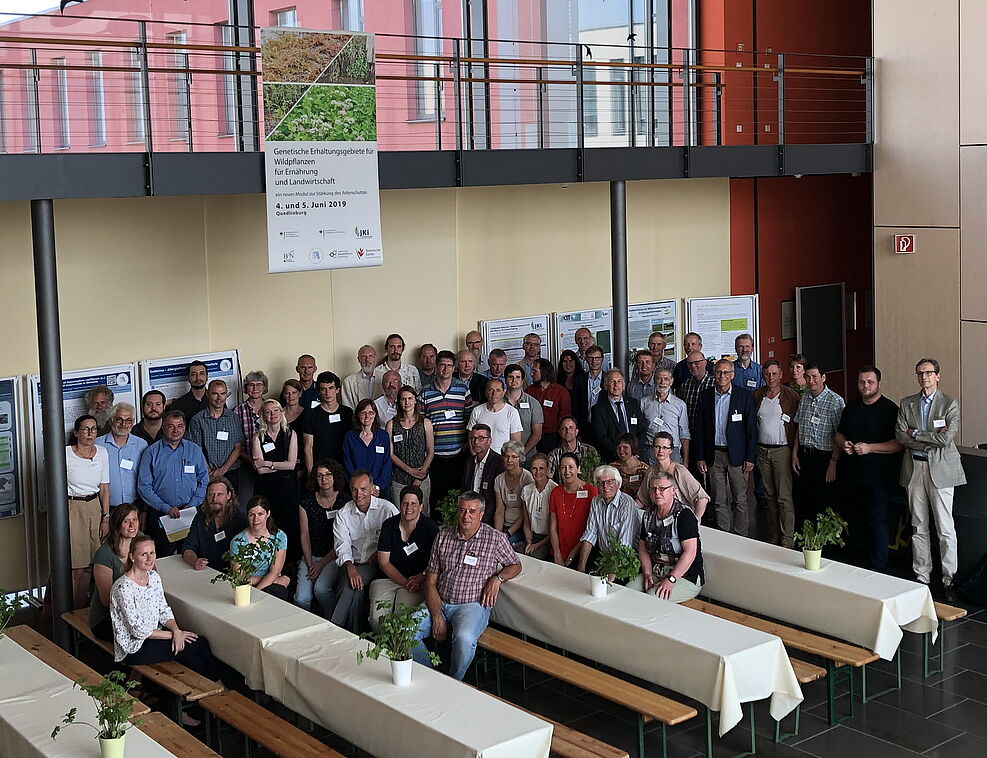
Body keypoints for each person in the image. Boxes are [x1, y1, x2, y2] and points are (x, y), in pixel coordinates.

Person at [411, 491, 521, 680]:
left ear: (481, 515)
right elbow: (430, 582)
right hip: (439, 600)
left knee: (464, 638)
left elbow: (515, 565)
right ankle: (430, 676)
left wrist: (498, 579)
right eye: (462, 510)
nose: (466, 516)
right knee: (405, 631)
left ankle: (454, 682)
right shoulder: (443, 537)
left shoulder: (494, 539)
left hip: (472, 605)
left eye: (471, 511)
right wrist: (437, 615)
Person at [110, 534, 223, 711]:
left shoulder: (153, 577)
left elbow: (163, 609)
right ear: (132, 557)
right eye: (143, 554)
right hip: (135, 647)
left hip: (157, 634)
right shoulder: (123, 587)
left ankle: (209, 693)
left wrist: (176, 630)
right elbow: (138, 630)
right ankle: (196, 702)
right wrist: (173, 635)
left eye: (152, 553)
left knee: (199, 643)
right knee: (193, 649)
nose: (149, 558)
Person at [896, 358, 965, 600]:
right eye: (920, 373)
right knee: (918, 525)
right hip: (915, 468)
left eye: (928, 372)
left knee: (945, 529)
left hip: (941, 471)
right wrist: (928, 438)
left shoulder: (949, 404)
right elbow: (900, 437)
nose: (924, 377)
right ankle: (921, 576)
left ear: (938, 376)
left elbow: (946, 440)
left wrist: (916, 433)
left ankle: (949, 580)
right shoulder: (907, 403)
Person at [835, 366, 902, 572]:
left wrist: (870, 448)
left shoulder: (890, 410)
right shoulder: (852, 407)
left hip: (880, 479)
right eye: (862, 382)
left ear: (879, 384)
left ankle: (878, 567)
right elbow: (839, 434)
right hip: (854, 476)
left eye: (870, 382)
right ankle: (861, 561)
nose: (865, 386)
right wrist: (844, 444)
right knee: (857, 519)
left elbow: (898, 444)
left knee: (877, 521)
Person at [694, 360, 756, 536]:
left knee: (740, 499)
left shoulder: (743, 396)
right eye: (719, 372)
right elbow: (699, 428)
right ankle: (725, 535)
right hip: (713, 454)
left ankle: (741, 535)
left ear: (733, 375)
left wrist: (750, 457)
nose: (722, 376)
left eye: (726, 372)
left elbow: (751, 429)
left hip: (737, 456)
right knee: (719, 500)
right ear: (714, 373)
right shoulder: (705, 396)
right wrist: (700, 456)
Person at [330, 471, 398, 631]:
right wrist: (350, 567)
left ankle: (334, 627)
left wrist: (381, 552)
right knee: (356, 589)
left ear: (372, 488)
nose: (358, 494)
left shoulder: (387, 509)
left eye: (363, 489)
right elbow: (342, 545)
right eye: (354, 489)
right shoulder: (343, 513)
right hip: (353, 562)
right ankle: (355, 634)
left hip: (379, 564)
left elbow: (399, 537)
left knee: (349, 585)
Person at [137, 411, 209, 557]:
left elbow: (204, 480)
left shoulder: (194, 450)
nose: (176, 430)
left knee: (191, 554)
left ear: (184, 428)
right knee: (163, 557)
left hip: (190, 513)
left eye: (180, 426)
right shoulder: (151, 453)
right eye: (171, 426)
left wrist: (193, 504)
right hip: (161, 515)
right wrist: (166, 508)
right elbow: (144, 486)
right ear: (163, 427)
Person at [369, 485, 439, 630]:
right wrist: (405, 582)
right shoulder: (389, 525)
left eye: (413, 504)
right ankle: (385, 650)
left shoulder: (430, 528)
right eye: (405, 503)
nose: (408, 507)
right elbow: (384, 563)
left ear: (421, 507)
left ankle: (398, 652)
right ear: (399, 505)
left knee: (402, 617)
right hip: (388, 578)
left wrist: (423, 576)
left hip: (416, 583)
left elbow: (437, 561)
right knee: (377, 619)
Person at [753, 360, 801, 548]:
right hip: (762, 450)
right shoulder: (757, 395)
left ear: (781, 375)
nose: (771, 378)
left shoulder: (792, 396)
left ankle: (788, 537)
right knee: (769, 496)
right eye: (767, 374)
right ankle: (774, 534)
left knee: (784, 497)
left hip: (782, 450)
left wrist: (794, 452)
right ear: (763, 376)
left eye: (774, 374)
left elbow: (797, 427)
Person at [638, 471, 704, 603]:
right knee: (627, 591)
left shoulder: (684, 515)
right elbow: (643, 548)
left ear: (673, 490)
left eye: (662, 488)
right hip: (657, 571)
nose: (657, 492)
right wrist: (647, 573)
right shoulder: (648, 515)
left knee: (650, 599)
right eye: (653, 488)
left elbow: (690, 552)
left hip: (684, 576)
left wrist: (671, 579)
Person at [66, 414, 110, 608]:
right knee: (77, 567)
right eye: (85, 428)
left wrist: (105, 517)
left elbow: (104, 487)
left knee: (91, 565)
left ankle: (83, 611)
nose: (90, 432)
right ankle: (71, 613)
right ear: (76, 432)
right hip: (73, 507)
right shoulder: (65, 454)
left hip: (95, 507)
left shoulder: (102, 452)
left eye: (93, 428)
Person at [792, 363, 845, 521]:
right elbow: (799, 428)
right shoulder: (804, 398)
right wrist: (794, 454)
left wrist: (833, 462)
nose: (810, 380)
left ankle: (823, 545)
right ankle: (807, 543)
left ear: (823, 377)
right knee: (804, 502)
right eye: (807, 376)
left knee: (823, 503)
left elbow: (839, 435)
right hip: (805, 457)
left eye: (814, 376)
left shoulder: (835, 401)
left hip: (825, 458)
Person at [295, 459, 345, 614]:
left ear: (335, 476)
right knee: (301, 598)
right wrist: (311, 564)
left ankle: (334, 622)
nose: (324, 479)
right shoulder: (306, 501)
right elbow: (304, 535)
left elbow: (343, 540)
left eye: (328, 475)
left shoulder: (345, 501)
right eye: (320, 475)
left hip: (333, 557)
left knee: (321, 590)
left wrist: (321, 564)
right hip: (311, 556)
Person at [252, 399, 300, 560]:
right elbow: (259, 470)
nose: (272, 414)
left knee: (289, 524)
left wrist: (268, 463)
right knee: (268, 524)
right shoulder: (258, 437)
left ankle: (290, 562)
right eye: (268, 411)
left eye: (275, 410)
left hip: (288, 488)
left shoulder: (291, 434)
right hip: (266, 489)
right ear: (263, 416)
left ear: (281, 413)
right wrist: (279, 465)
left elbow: (292, 465)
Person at [421, 350, 470, 504]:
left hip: (458, 454)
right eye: (442, 365)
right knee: (437, 497)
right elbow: (420, 424)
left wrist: (467, 445)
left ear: (454, 368)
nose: (445, 369)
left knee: (457, 496)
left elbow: (469, 419)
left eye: (449, 366)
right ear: (436, 367)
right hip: (435, 456)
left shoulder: (463, 389)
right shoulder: (425, 392)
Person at [576, 465, 642, 575]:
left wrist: (612, 572)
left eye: (610, 481)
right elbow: (590, 534)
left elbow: (624, 544)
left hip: (627, 560)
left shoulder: (626, 503)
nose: (605, 486)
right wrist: (581, 567)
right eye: (600, 482)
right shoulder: (596, 501)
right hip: (605, 556)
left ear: (618, 483)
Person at [90, 504, 139, 640]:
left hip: (138, 612)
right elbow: (107, 600)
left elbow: (152, 577)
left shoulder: (141, 541)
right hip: (107, 617)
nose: (132, 525)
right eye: (126, 521)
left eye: (135, 520)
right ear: (117, 524)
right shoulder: (104, 554)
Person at [187, 379, 244, 492]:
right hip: (207, 474)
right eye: (215, 394)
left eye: (223, 393)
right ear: (207, 394)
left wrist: (222, 470)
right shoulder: (198, 420)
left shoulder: (233, 417)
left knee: (231, 507)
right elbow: (197, 449)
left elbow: (238, 447)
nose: (219, 398)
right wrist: (210, 473)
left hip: (231, 473)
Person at [229, 496, 290, 600]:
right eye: (251, 515)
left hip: (269, 583)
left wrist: (256, 593)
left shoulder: (279, 537)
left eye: (260, 514)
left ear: (268, 514)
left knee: (278, 591)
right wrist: (271, 580)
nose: (256, 519)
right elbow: (239, 576)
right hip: (246, 584)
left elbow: (274, 572)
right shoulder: (238, 541)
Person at [638, 432, 710, 518]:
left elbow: (702, 498)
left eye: (665, 447)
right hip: (657, 520)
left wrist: (695, 521)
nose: (661, 451)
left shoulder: (679, 471)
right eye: (657, 447)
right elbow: (642, 499)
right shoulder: (651, 471)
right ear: (653, 448)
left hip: (679, 520)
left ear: (671, 450)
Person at [182, 477, 247, 571]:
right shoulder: (201, 515)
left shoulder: (240, 517)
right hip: (206, 571)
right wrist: (195, 561)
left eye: (219, 494)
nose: (215, 499)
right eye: (211, 494)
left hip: (232, 573)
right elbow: (188, 547)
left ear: (228, 495)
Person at [386, 386, 434, 510]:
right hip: (399, 479)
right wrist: (409, 470)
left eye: (410, 398)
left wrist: (420, 475)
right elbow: (390, 454)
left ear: (415, 400)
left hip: (421, 479)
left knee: (422, 513)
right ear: (398, 401)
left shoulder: (425, 423)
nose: (407, 403)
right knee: (399, 513)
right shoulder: (391, 424)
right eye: (403, 399)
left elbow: (430, 452)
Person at [96, 402, 148, 509]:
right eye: (119, 419)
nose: (123, 424)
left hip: (135, 505)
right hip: (106, 507)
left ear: (133, 422)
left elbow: (146, 478)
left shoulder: (141, 444)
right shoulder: (97, 444)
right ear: (111, 421)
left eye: (128, 420)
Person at [549, 452, 597, 567]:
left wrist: (572, 555)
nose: (567, 471)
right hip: (559, 551)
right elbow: (553, 527)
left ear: (578, 469)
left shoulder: (591, 491)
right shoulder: (556, 492)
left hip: (582, 553)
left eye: (571, 467)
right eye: (563, 467)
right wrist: (557, 554)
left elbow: (591, 529)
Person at [302, 371, 353, 474]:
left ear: (337, 389)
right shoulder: (310, 415)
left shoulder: (347, 413)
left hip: (343, 468)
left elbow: (353, 442)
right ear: (318, 391)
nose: (327, 393)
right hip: (321, 470)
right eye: (323, 389)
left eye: (331, 388)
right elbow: (308, 447)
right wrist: (311, 473)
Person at [591, 369, 646, 463]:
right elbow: (601, 438)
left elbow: (642, 430)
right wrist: (622, 453)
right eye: (612, 381)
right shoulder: (598, 409)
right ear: (605, 386)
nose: (616, 385)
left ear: (624, 385)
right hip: (612, 459)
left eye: (619, 381)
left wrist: (634, 452)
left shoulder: (633, 404)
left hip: (635, 458)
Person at [640, 368, 690, 466]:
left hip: (672, 451)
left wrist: (686, 459)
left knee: (672, 480)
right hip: (650, 450)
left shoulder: (680, 405)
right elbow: (640, 430)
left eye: (666, 379)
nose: (662, 382)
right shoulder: (644, 402)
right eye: (659, 379)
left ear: (671, 382)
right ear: (654, 380)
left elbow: (684, 433)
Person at [344, 399, 393, 492]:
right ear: (358, 414)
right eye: (363, 413)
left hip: (378, 490)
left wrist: (377, 487)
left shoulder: (383, 436)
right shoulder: (350, 436)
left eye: (371, 412)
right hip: (356, 489)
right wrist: (360, 487)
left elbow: (387, 463)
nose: (367, 416)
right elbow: (347, 463)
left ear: (375, 415)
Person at [234, 370, 268, 499]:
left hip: (270, 465)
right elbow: (235, 442)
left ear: (264, 387)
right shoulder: (237, 411)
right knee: (246, 501)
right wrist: (251, 461)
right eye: (251, 385)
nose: (255, 388)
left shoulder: (272, 408)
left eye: (259, 384)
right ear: (246, 388)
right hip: (245, 465)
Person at [493, 441, 534, 548]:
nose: (509, 460)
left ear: (520, 458)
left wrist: (508, 533)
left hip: (521, 527)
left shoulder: (527, 478)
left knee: (505, 546)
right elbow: (499, 510)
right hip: (505, 525)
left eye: (514, 457)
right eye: (506, 456)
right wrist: (498, 534)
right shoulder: (499, 479)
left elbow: (525, 513)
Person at [525, 358, 571, 453]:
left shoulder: (560, 391)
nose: (531, 374)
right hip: (531, 436)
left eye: (534, 371)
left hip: (552, 438)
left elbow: (565, 417)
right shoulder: (529, 391)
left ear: (544, 371)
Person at [462, 424, 505, 523]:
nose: (476, 442)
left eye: (481, 438)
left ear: (490, 441)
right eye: (473, 438)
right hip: (469, 515)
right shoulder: (469, 463)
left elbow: (495, 500)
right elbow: (464, 490)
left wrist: (482, 520)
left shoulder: (499, 463)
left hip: (489, 519)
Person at [468, 379, 523, 453]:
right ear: (486, 392)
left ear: (503, 393)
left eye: (498, 390)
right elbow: (471, 437)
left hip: (502, 459)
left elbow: (515, 441)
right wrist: (475, 457)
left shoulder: (512, 412)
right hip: (480, 457)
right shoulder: (477, 411)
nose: (494, 394)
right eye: (491, 390)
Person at [521, 454, 556, 559]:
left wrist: (536, 546)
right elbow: (526, 521)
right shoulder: (526, 490)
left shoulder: (554, 490)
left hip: (549, 538)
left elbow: (555, 528)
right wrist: (529, 541)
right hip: (532, 536)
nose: (538, 472)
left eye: (541, 468)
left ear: (547, 470)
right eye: (534, 468)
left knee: (533, 558)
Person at [504, 365, 543, 460]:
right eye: (511, 377)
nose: (514, 380)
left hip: (527, 457)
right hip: (503, 458)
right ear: (505, 379)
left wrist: (522, 454)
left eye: (518, 377)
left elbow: (537, 434)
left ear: (522, 381)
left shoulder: (533, 403)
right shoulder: (498, 402)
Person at [571, 345, 605, 444]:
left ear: (602, 359)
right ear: (586, 359)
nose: (594, 361)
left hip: (604, 428)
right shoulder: (579, 380)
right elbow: (575, 407)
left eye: (597, 358)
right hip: (585, 428)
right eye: (591, 358)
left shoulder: (608, 379)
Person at [678, 350, 715, 436]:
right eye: (690, 363)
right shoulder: (685, 385)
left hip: (707, 434)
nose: (693, 366)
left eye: (697, 362)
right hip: (688, 434)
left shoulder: (714, 383)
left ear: (705, 362)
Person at [168, 360, 208, 428]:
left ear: (207, 377)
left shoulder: (216, 401)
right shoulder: (178, 405)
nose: (198, 378)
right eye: (194, 374)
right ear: (188, 378)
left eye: (201, 373)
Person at [611, 433, 649, 499]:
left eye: (625, 448)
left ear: (632, 447)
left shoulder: (644, 469)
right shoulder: (613, 468)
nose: (621, 451)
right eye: (619, 448)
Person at [341, 345, 378, 410]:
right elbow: (348, 409)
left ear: (375, 358)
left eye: (370, 356)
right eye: (364, 357)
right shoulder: (348, 382)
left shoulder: (384, 378)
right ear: (358, 359)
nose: (367, 360)